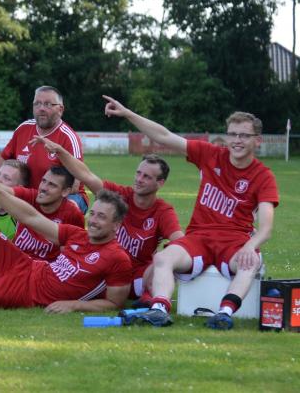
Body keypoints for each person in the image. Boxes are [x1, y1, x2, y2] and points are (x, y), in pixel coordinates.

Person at [102, 96, 279, 329]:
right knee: (163, 258)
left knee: (250, 262)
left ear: (257, 141)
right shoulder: (211, 154)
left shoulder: (263, 175)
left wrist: (249, 246)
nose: (237, 140)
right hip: (199, 237)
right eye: (232, 134)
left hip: (234, 241)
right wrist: (127, 114)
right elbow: (164, 136)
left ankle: (224, 313)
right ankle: (159, 309)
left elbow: (265, 228)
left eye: (244, 136)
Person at [0, 183, 132, 313]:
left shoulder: (117, 258)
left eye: (101, 217)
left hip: (25, 293)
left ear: (116, 225)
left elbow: (114, 303)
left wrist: (73, 305)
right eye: (92, 213)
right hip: (26, 266)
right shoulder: (78, 235)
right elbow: (31, 217)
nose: (92, 220)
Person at [32, 135, 183, 299]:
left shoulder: (163, 211)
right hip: (102, 265)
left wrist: (164, 259)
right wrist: (60, 151)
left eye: (147, 177)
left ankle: (151, 302)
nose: (139, 179)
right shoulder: (119, 196)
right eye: (138, 173)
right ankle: (143, 298)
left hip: (136, 274)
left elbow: (181, 241)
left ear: (160, 183)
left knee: (159, 269)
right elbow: (86, 175)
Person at [0, 163, 84, 263]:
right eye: (44, 181)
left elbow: (71, 255)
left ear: (65, 192)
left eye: (52, 185)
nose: (43, 187)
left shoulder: (72, 214)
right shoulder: (31, 196)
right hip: (14, 262)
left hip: (43, 272)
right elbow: (0, 187)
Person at [0, 85, 88, 211]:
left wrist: (41, 203)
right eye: (37, 103)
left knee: (69, 208)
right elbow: (3, 158)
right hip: (29, 196)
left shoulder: (68, 137)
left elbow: (75, 185)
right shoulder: (23, 129)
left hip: (63, 197)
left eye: (48, 104)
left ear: (60, 109)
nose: (41, 108)